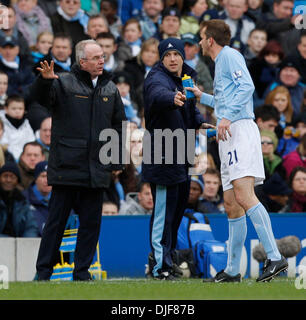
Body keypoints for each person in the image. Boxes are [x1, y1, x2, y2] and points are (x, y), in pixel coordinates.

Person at [186, 19, 287, 283]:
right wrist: (201, 96)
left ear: (210, 40)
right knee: (232, 205)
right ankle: (232, 271)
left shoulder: (229, 56)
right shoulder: (221, 62)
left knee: (244, 194)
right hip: (229, 134)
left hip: (240, 131)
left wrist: (227, 117)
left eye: (201, 37)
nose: (198, 42)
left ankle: (275, 256)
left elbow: (247, 88)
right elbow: (227, 99)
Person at [31, 39, 126, 281]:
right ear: (82, 62)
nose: (101, 61)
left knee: (90, 226)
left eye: (102, 56)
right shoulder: (62, 82)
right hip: (67, 168)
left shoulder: (110, 88)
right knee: (56, 225)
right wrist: (44, 80)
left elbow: (118, 126)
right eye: (95, 58)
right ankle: (43, 273)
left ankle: (82, 273)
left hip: (97, 170)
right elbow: (39, 99)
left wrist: (116, 162)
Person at [142, 37, 214, 280]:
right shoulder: (157, 78)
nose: (173, 59)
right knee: (163, 214)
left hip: (181, 154)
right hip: (162, 155)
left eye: (177, 55)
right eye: (167, 56)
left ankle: (168, 259)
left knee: (176, 211)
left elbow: (190, 108)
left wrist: (198, 121)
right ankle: (159, 266)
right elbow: (157, 95)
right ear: (161, 59)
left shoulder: (186, 78)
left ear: (183, 56)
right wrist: (171, 98)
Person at [0, 163, 39, 237]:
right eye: (5, 176)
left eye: (12, 177)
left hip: (20, 245)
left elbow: (31, 227)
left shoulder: (23, 202)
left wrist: (25, 243)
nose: (8, 180)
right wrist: (9, 241)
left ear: (17, 181)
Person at [0, 94, 35, 161]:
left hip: (24, 160)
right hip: (5, 158)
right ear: (6, 109)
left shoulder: (26, 124)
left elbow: (31, 142)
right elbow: (3, 143)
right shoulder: (1, 124)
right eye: (14, 108)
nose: (17, 111)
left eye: (20, 109)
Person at [23, 161, 51, 236]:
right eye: (43, 176)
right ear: (36, 178)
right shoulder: (23, 199)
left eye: (50, 176)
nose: (47, 180)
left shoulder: (62, 201)